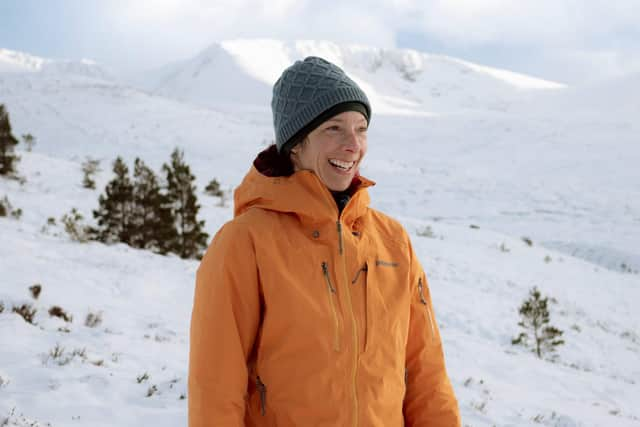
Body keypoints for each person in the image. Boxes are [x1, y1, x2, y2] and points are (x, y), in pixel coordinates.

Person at [189, 56, 460, 426]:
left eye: (361, 128)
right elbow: (215, 386)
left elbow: (426, 374)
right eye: (334, 128)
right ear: (296, 144)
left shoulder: (393, 241)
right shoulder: (245, 243)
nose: (353, 145)